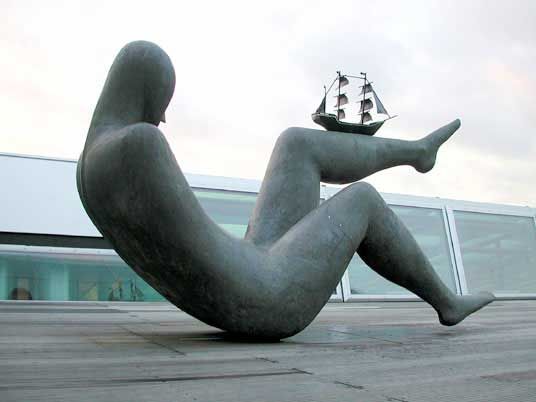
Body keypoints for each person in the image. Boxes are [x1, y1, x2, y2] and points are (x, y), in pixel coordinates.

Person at [77, 41, 494, 340]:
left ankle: (417, 151)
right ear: (148, 92)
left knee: (295, 143)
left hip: (251, 268)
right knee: (363, 200)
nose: (163, 119)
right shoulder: (140, 146)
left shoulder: (90, 168)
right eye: (161, 104)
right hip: (265, 298)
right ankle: (446, 302)